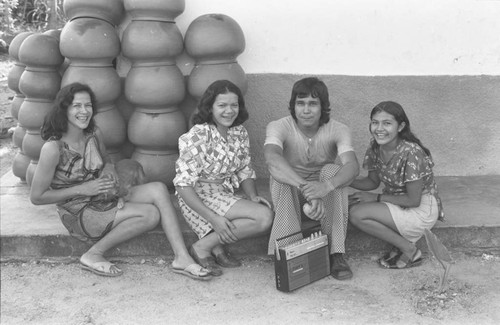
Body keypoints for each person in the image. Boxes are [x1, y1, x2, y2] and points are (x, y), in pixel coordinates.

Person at [30, 82, 212, 280]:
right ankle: (93, 254)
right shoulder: (53, 149)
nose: (84, 111)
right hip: (79, 212)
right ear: (63, 108)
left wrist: (108, 168)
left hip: (103, 195)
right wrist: (84, 189)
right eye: (77, 106)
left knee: (159, 189)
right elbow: (37, 197)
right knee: (150, 214)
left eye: (88, 105)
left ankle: (182, 257)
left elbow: (106, 159)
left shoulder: (93, 133)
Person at [174, 80, 274, 277]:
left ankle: (212, 244)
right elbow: (184, 185)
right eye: (222, 105)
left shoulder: (239, 132)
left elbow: (245, 168)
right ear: (210, 107)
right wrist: (214, 219)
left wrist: (252, 196)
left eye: (234, 105)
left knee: (262, 211)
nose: (229, 111)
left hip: (223, 192)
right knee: (264, 217)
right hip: (197, 194)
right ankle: (202, 247)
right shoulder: (198, 135)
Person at [264, 77, 359, 280]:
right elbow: (271, 159)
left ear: (323, 107)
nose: (306, 110)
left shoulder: (339, 129)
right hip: (292, 194)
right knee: (280, 174)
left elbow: (352, 166)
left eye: (313, 103)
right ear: (293, 106)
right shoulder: (278, 126)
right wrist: (308, 189)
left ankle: (337, 253)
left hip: (324, 198)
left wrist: (326, 186)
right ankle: (288, 251)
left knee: (334, 172)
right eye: (300, 103)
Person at [349, 101, 445, 269]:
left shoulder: (411, 152)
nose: (379, 128)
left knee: (357, 214)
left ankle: (409, 250)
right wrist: (345, 180)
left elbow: (414, 200)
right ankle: (403, 240)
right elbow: (372, 182)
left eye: (387, 123)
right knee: (353, 204)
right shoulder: (375, 147)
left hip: (421, 208)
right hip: (397, 202)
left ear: (400, 126)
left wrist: (376, 198)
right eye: (375, 122)